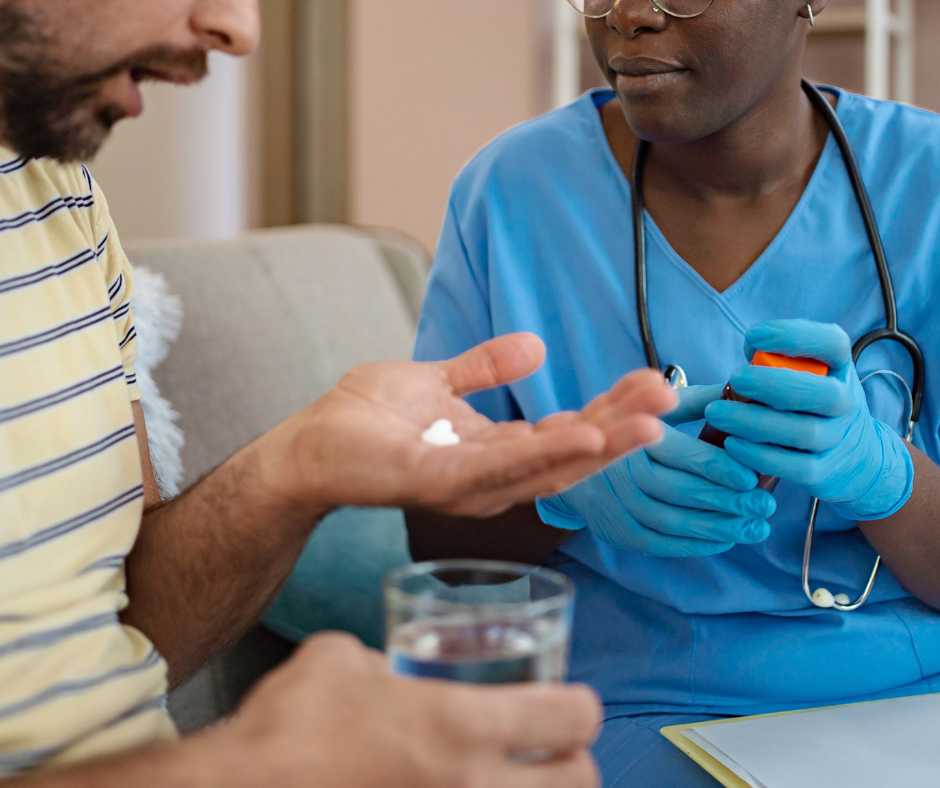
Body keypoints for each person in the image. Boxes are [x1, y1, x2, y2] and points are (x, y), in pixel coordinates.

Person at [0, 0, 680, 784]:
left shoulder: (58, 193)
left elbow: (123, 634)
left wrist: (294, 471)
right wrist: (251, 770)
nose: (239, 30)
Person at [408, 0, 940, 784]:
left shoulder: (926, 183)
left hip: (908, 703)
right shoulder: (514, 191)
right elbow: (436, 541)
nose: (628, 14)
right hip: (621, 710)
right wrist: (557, 481)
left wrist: (888, 480)